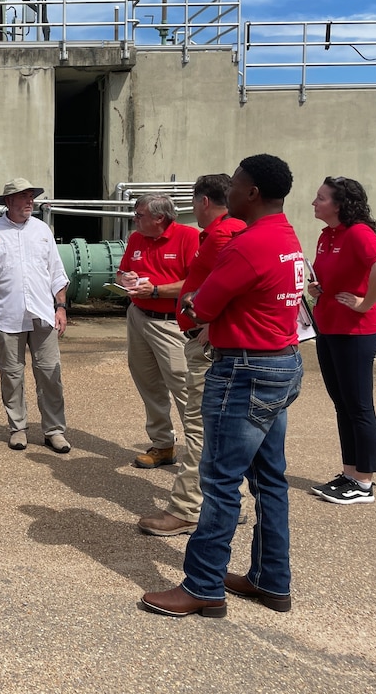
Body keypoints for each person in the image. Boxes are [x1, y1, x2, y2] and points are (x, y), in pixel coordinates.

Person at [141, 154, 304, 618]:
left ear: (251, 193)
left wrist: (191, 299)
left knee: (219, 483)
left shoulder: (246, 246)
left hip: (244, 371)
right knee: (270, 480)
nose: (227, 191)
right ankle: (271, 580)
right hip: (281, 364)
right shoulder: (286, 236)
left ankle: (203, 586)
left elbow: (199, 310)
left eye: (235, 184)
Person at [137, 175, 246, 536]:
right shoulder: (235, 231)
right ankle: (226, 503)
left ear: (202, 201)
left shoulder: (221, 235)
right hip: (210, 338)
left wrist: (209, 323)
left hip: (206, 342)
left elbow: (230, 286)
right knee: (221, 427)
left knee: (199, 425)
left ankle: (186, 509)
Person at [308, 176, 376, 505]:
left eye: (321, 198)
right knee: (342, 404)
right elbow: (331, 274)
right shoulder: (326, 236)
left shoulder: (359, 233)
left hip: (356, 332)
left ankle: (364, 482)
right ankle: (350, 473)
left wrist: (365, 302)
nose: (314, 203)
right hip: (329, 327)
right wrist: (318, 288)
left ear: (339, 205)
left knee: (358, 406)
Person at [0, 178, 71, 453]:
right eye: (23, 197)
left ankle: (54, 431)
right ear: (8, 202)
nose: (30, 202)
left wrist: (60, 307)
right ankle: (18, 428)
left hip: (42, 314)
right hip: (7, 316)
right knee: (11, 375)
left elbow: (57, 273)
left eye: (31, 197)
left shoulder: (42, 230)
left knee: (50, 373)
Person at [116, 193, 200, 468]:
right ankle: (163, 444)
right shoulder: (136, 238)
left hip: (170, 322)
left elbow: (195, 283)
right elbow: (122, 271)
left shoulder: (189, 237)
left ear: (159, 218)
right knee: (148, 383)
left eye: (139, 215)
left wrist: (155, 291)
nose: (134, 220)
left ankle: (200, 453)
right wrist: (125, 278)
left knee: (183, 386)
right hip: (138, 317)